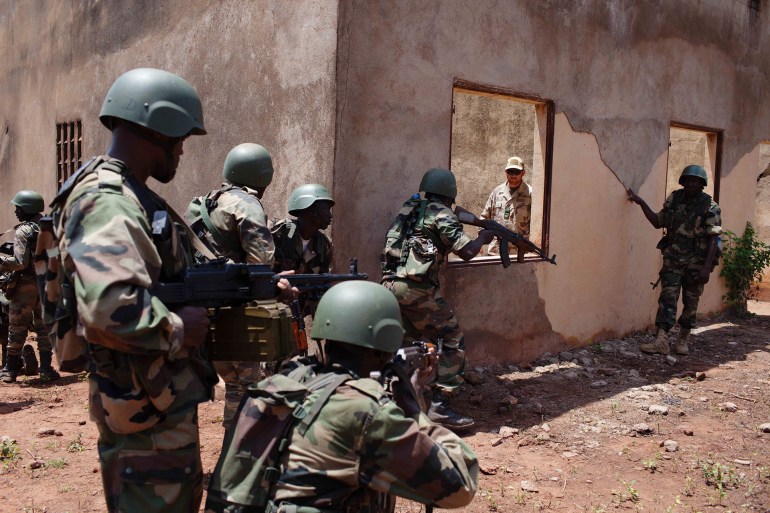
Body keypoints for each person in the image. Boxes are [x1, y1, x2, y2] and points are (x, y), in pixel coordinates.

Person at [54, 68, 219, 513]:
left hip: (152, 405)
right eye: (181, 138)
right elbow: (109, 307)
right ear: (158, 127)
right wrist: (180, 327)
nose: (183, 150)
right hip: (144, 417)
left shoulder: (129, 194)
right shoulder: (109, 200)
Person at [206, 280, 479, 513]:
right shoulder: (366, 413)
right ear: (384, 347)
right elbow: (460, 485)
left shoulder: (281, 384)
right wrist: (412, 404)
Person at [380, 168, 494, 430]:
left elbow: (457, 213)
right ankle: (441, 407)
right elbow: (466, 252)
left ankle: (401, 399)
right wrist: (484, 237)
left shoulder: (409, 209)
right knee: (452, 339)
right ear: (449, 194)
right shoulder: (442, 214)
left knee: (407, 343)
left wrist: (477, 220)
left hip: (388, 287)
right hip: (416, 291)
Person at [186, 142, 279, 431]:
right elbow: (262, 261)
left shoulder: (203, 203)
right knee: (246, 387)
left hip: (204, 308)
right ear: (262, 175)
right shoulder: (246, 204)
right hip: (235, 312)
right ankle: (235, 462)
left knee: (235, 383)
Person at [627, 164, 722, 355]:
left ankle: (683, 338)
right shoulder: (675, 199)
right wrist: (640, 202)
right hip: (673, 260)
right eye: (688, 180)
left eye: (695, 181)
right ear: (683, 182)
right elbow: (657, 221)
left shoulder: (710, 207)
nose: (691, 184)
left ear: (702, 184)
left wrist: (706, 267)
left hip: (696, 263)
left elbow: (714, 239)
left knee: (691, 301)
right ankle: (661, 340)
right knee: (667, 298)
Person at [0, 190, 58, 383]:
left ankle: (10, 371)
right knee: (44, 327)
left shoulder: (24, 230)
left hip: (25, 284)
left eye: (18, 207)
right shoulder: (51, 225)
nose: (16, 211)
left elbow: (20, 262)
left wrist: (2, 261)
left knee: (17, 326)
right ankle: (46, 370)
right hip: (47, 282)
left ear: (27, 208)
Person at [271, 183, 334, 275]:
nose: (330, 216)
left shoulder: (324, 245)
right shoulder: (278, 232)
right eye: (326, 209)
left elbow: (322, 281)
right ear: (311, 209)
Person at [480, 156, 532, 255]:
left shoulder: (530, 194)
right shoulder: (497, 192)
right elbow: (484, 218)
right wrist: (480, 241)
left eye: (516, 172)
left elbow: (536, 224)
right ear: (505, 172)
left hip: (519, 251)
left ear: (523, 173)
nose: (513, 175)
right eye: (510, 171)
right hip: (496, 250)